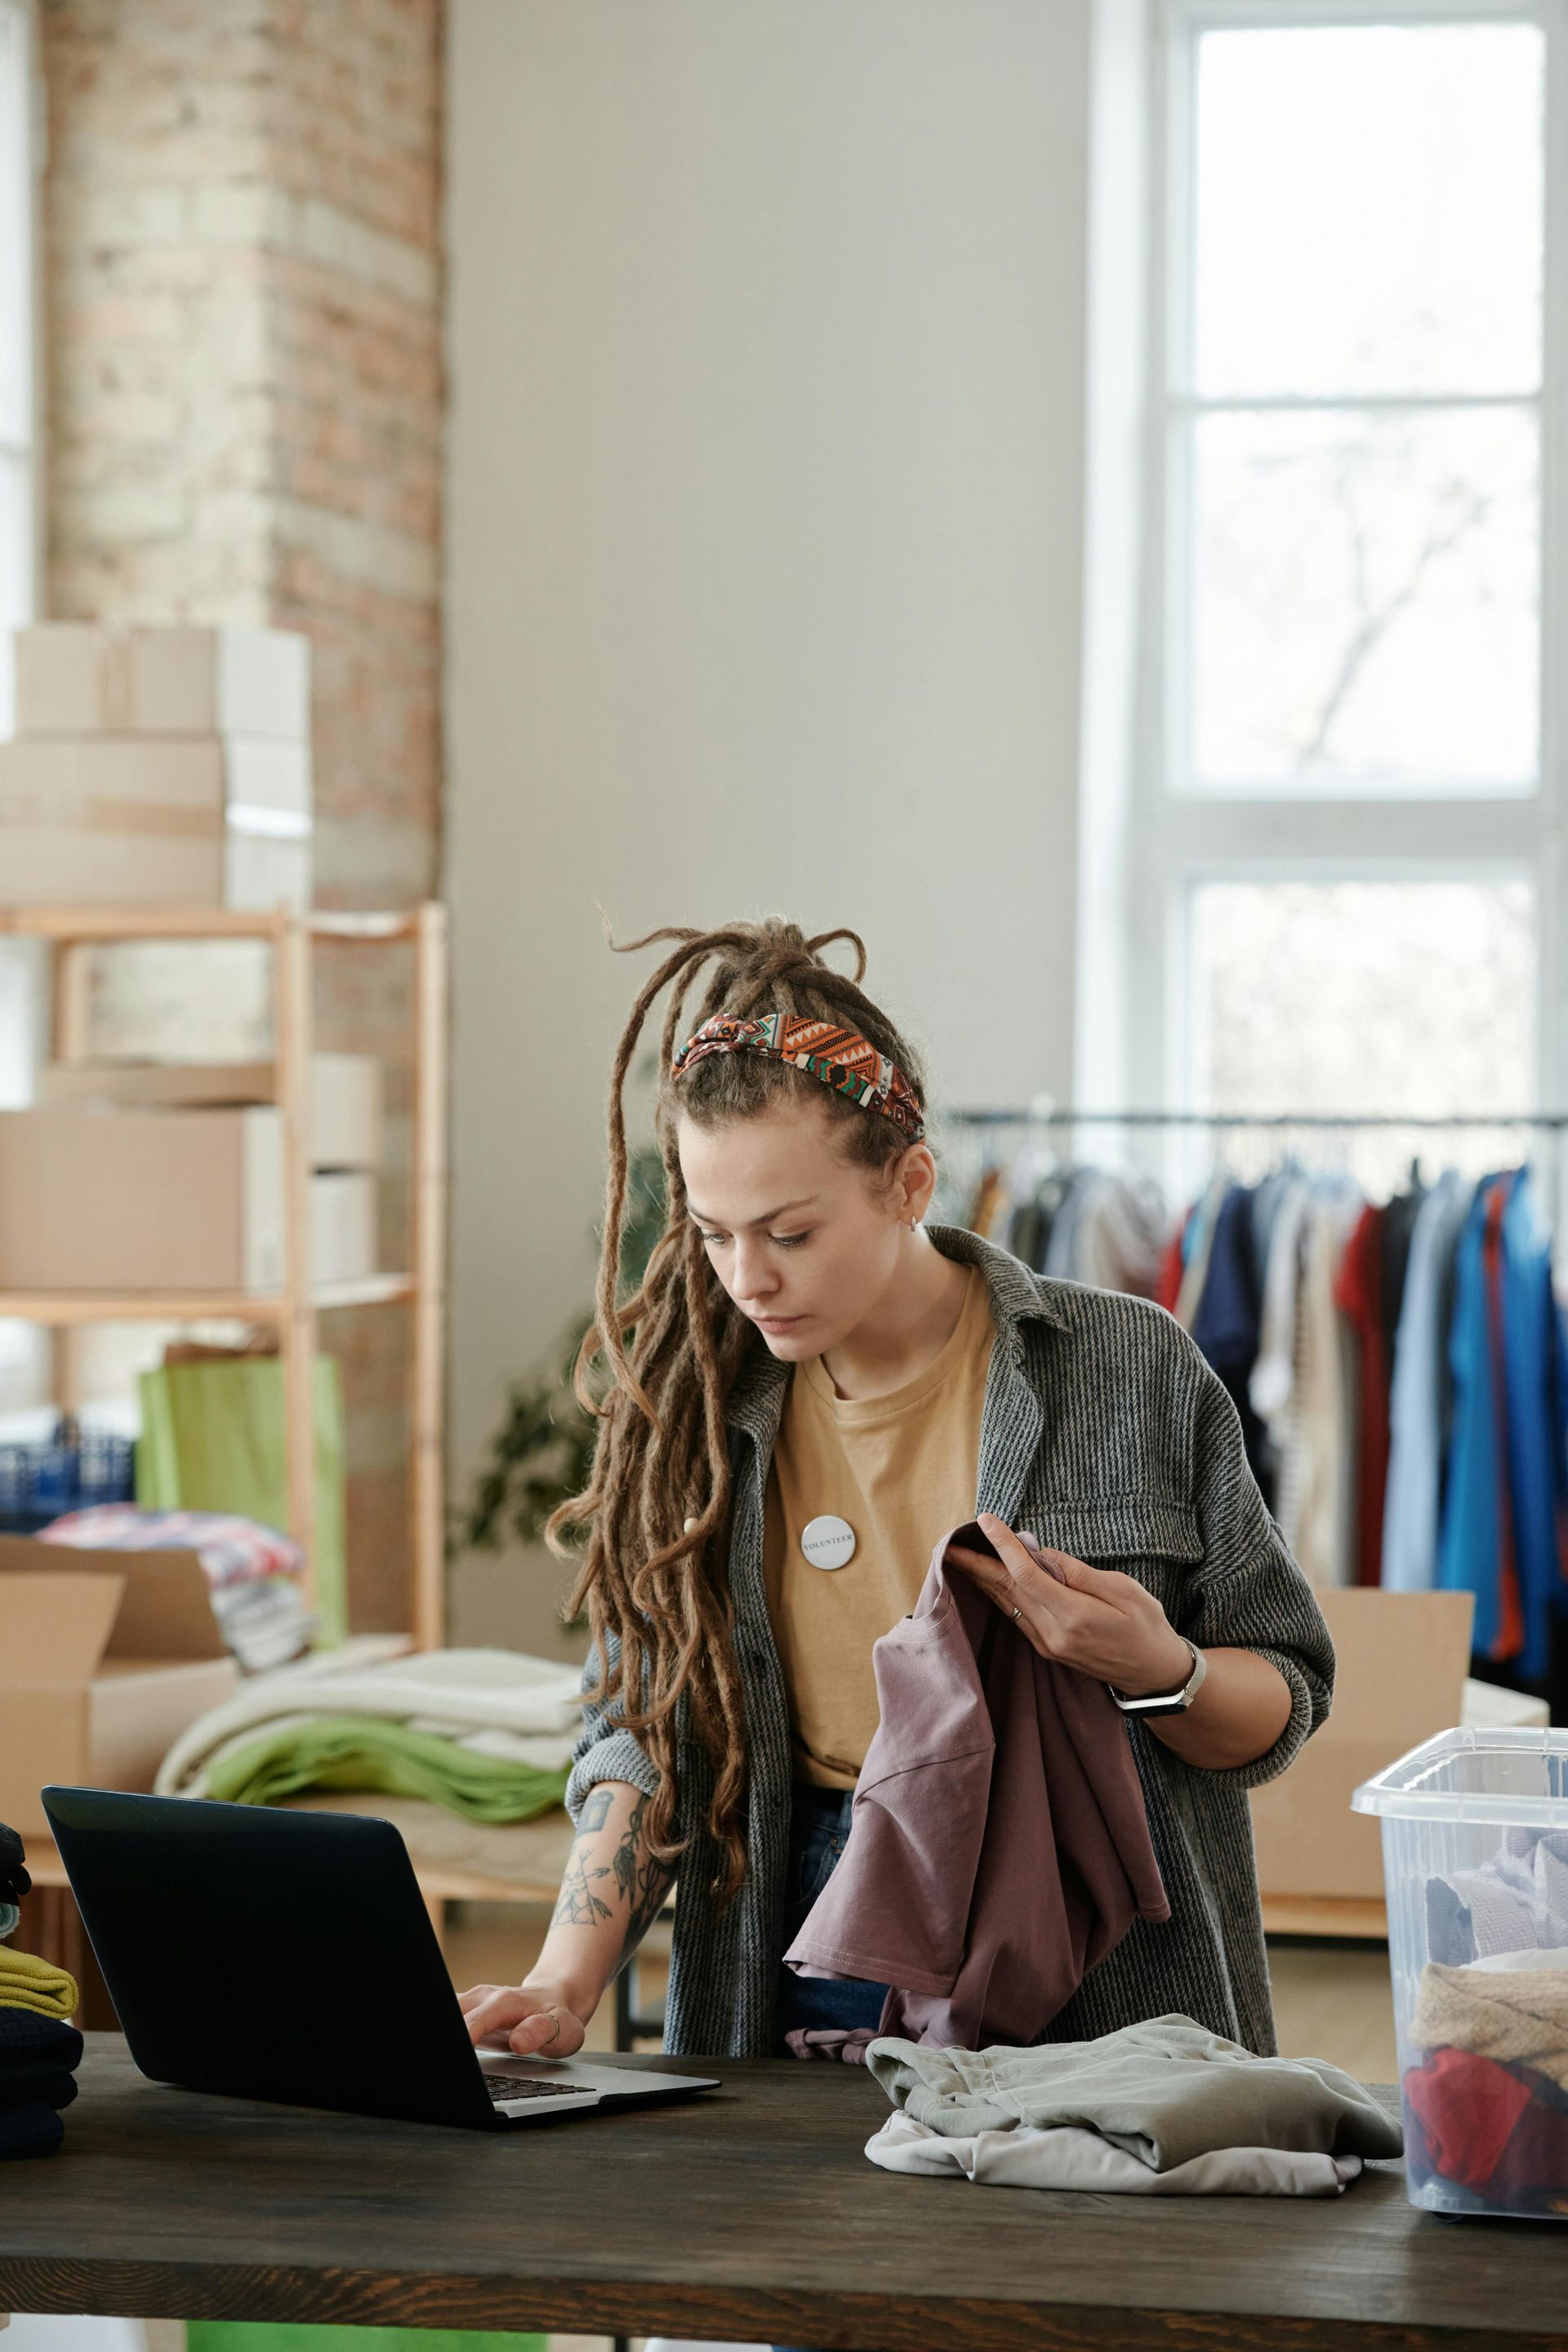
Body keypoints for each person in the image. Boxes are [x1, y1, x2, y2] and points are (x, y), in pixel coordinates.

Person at [459, 919, 1333, 2066]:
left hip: (1113, 1977)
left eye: (790, 1232)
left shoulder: (1128, 1367)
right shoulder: (693, 1416)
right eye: (714, 1235)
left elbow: (1284, 1699)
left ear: (910, 1182)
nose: (747, 1278)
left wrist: (1157, 1667)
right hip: (805, 1932)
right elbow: (642, 1731)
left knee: (1098, 2253)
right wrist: (560, 1983)